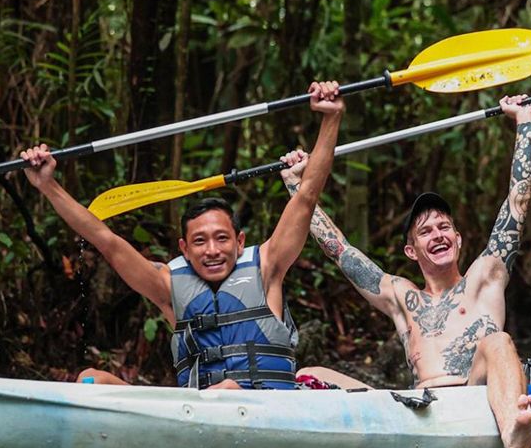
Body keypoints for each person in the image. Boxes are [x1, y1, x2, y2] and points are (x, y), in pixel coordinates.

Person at [20, 81, 346, 388]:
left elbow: (306, 196)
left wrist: (330, 119)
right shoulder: (168, 285)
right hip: (198, 410)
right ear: (184, 249)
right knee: (91, 378)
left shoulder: (267, 267)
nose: (212, 250)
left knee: (229, 388)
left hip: (266, 403)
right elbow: (106, 240)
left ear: (240, 242)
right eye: (200, 241)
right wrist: (48, 186)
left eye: (222, 238)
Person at [280, 94, 531, 448]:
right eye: (425, 231)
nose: (437, 234)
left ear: (458, 240)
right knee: (310, 372)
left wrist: (524, 120)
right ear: (412, 251)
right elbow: (338, 249)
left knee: (498, 341)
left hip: (474, 399)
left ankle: (515, 438)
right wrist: (296, 184)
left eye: (444, 227)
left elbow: (517, 203)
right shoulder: (401, 296)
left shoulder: (484, 277)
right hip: (417, 409)